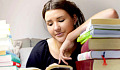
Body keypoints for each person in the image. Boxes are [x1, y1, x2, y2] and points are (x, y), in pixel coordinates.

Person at [26, 0, 119, 70]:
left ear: (74, 19)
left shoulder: (87, 45)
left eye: (61, 20)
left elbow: (112, 14)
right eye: (50, 24)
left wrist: (70, 37)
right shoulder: (41, 49)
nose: (56, 28)